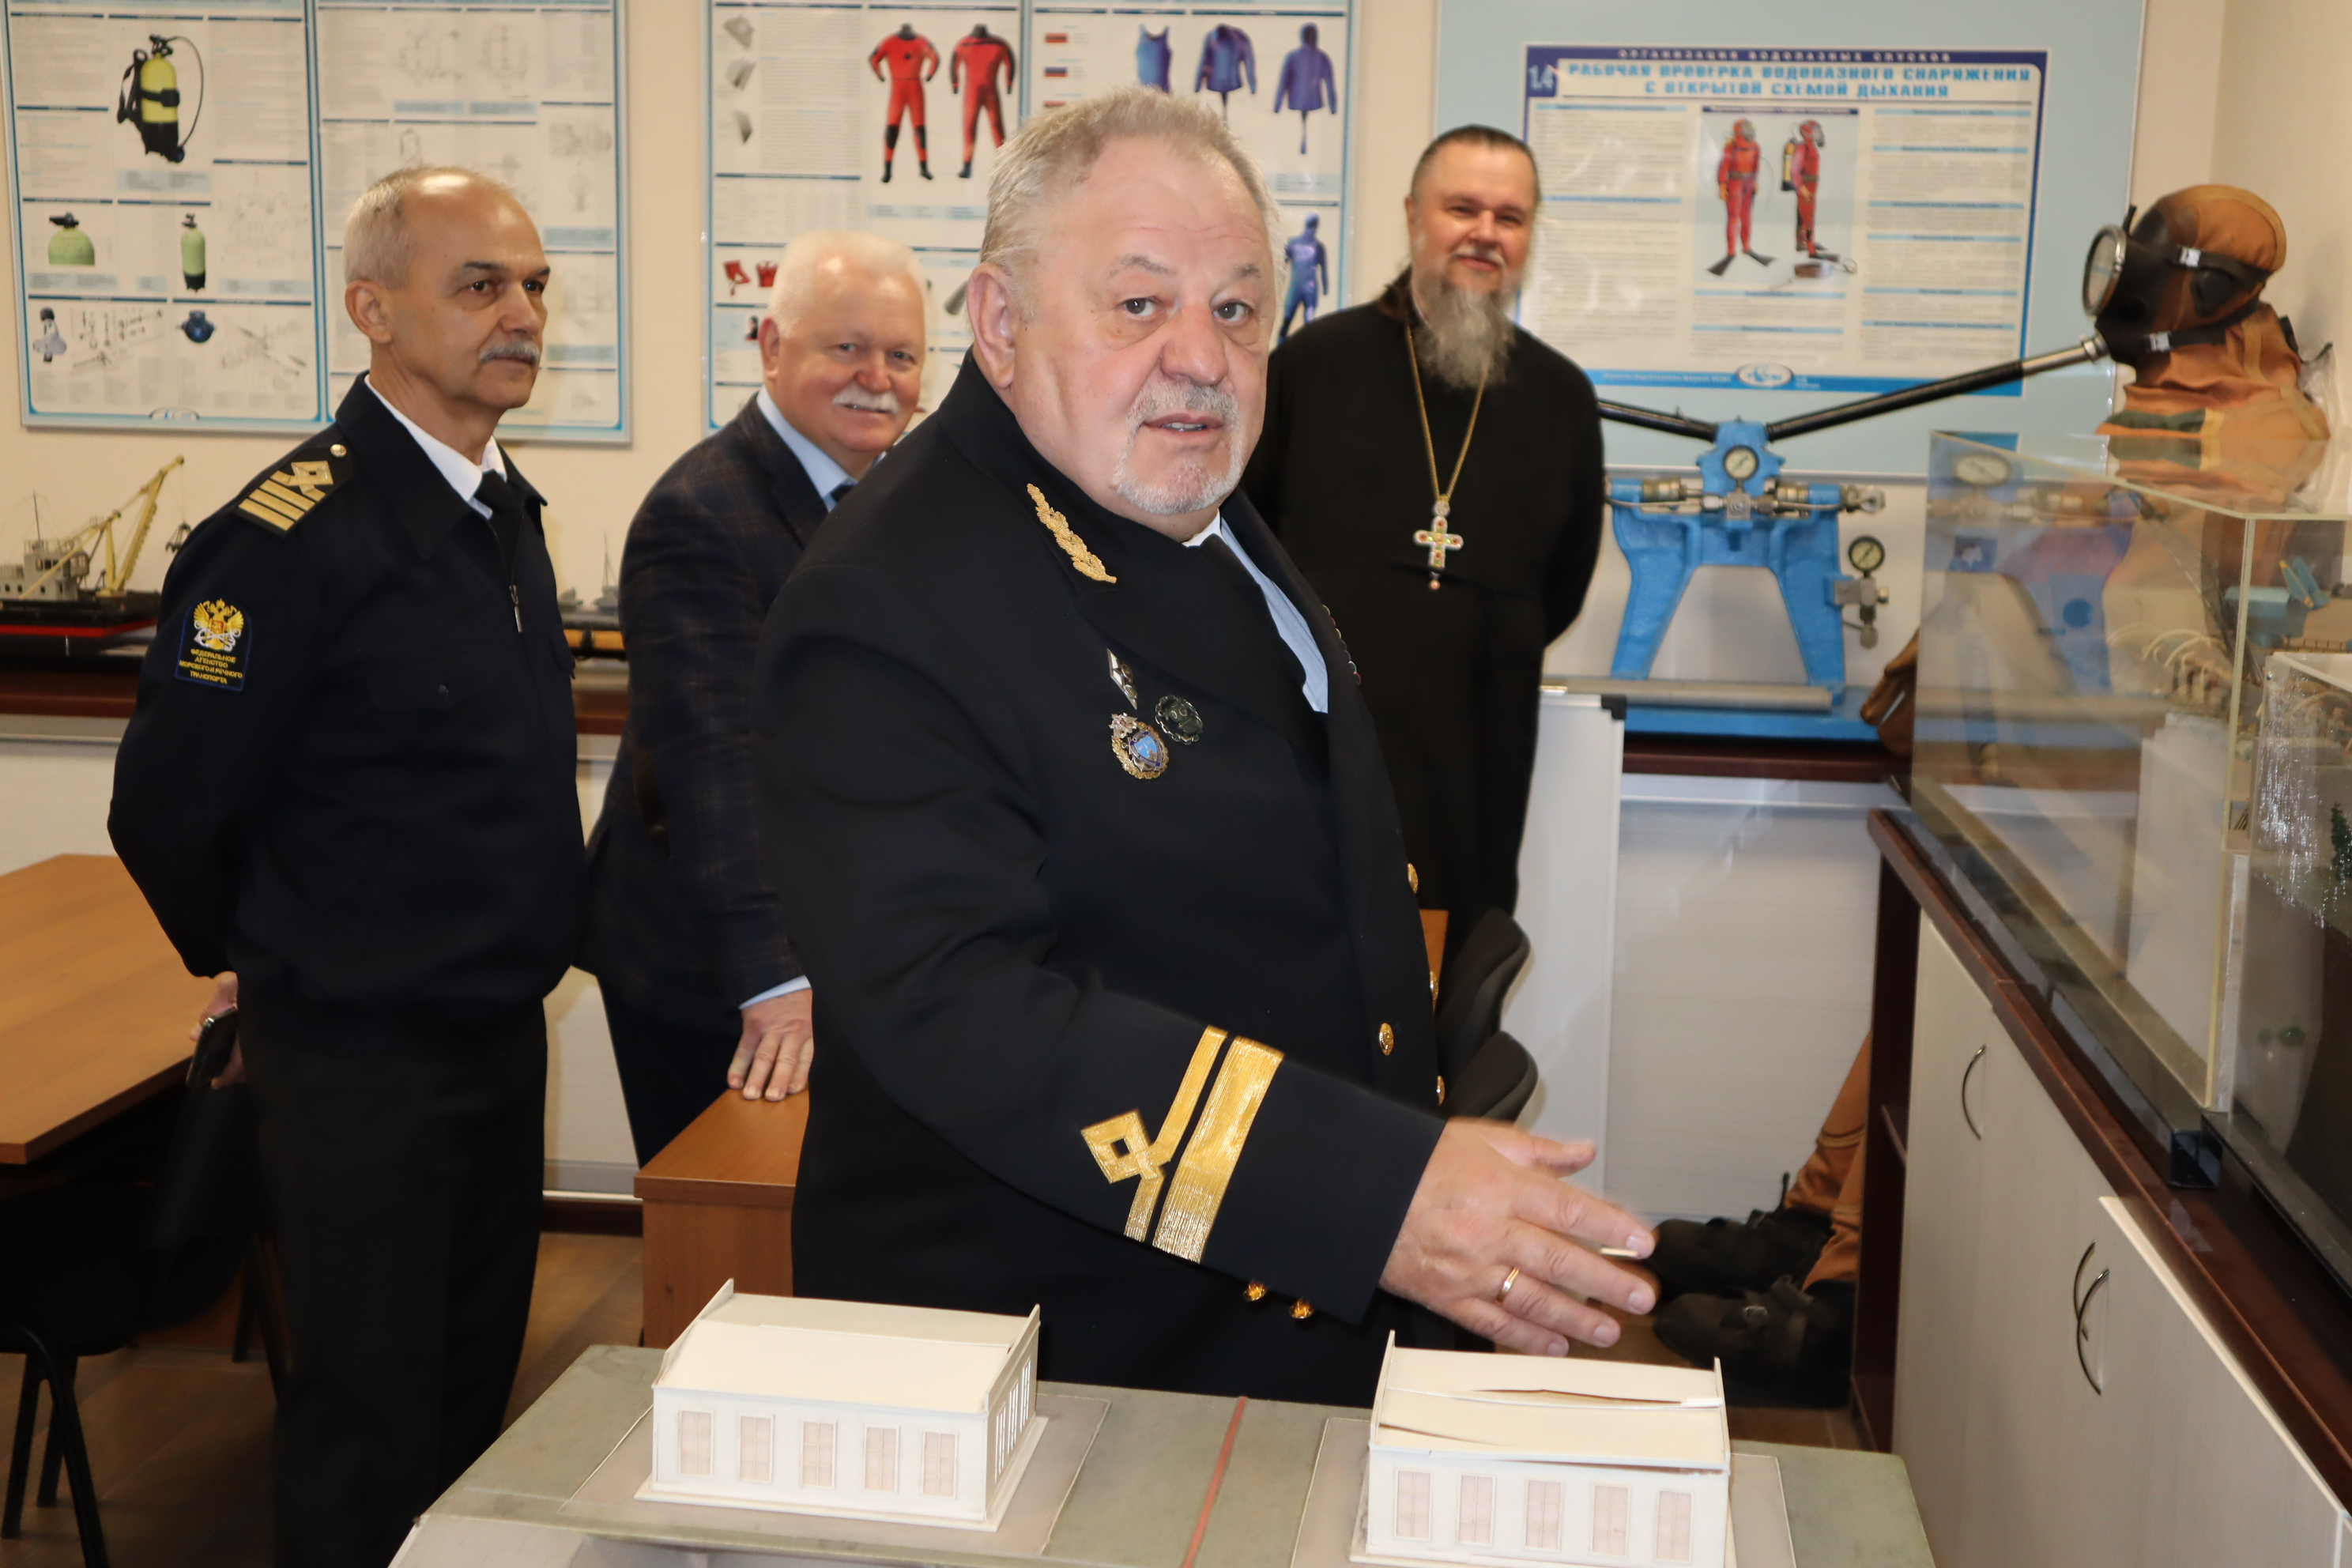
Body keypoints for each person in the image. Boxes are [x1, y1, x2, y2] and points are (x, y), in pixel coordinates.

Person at [752, 86, 1655, 1408]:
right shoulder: (887, 596)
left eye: (1237, 309)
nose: (1200, 356)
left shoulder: (1179, 496)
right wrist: (1365, 1190)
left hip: (1272, 1322)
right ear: (998, 323)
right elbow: (967, 1010)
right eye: (1138, 303)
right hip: (1070, 1357)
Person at [108, 167, 581, 1568]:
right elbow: (170, 806)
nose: (521, 313)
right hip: (360, 1058)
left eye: (534, 284)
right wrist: (269, 961)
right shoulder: (285, 540)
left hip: (495, 1038)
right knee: (365, 1429)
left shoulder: (504, 514)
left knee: (471, 1406)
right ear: (374, 311)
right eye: (480, 285)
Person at [585, 231, 925, 1163]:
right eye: (847, 347)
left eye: (902, 356)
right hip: (711, 965)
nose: (878, 379)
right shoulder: (700, 513)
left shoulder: (899, 499)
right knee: (725, 1221)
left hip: (844, 940)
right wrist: (772, 981)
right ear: (773, 347)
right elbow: (710, 771)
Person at [1242, 126, 1604, 959]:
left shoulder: (1560, 398)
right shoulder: (1312, 366)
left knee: (1453, 974)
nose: (1486, 233)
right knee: (1306, 971)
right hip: (1320, 744)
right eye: (1463, 208)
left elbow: (1564, 584)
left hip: (1475, 755)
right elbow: (1243, 546)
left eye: (1510, 217)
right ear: (1413, 216)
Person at [870, 24, 939, 183]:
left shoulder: (920, 42)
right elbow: (874, 59)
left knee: (919, 130)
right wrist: (880, 76)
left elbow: (935, 58)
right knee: (892, 129)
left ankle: (923, 168)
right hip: (900, 89)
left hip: (913, 88)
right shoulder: (891, 42)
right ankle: (888, 170)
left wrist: (929, 75)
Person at [952, 24, 1015, 180]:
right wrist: (955, 84)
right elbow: (954, 65)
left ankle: (1005, 165)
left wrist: (1009, 83)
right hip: (975, 92)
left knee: (996, 127)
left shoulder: (997, 44)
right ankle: (967, 166)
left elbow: (1010, 62)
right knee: (970, 127)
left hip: (985, 91)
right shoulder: (966, 44)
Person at [1710, 119, 1769, 275]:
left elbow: (1756, 165)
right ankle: (1731, 251)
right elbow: (1724, 167)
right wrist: (1722, 186)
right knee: (1734, 217)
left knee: (1746, 216)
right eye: (1747, 129)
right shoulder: (1731, 147)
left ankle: (1746, 247)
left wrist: (1756, 181)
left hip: (1749, 183)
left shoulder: (1755, 146)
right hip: (1734, 184)